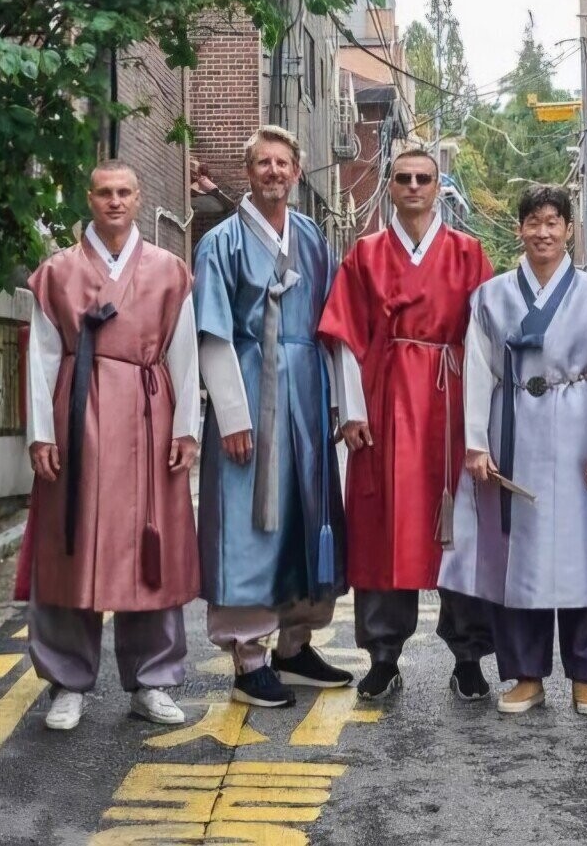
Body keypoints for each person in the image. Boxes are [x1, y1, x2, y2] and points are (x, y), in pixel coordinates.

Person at [18, 161, 201, 732]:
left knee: (151, 545)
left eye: (124, 192)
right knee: (70, 543)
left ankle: (152, 680)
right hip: (79, 417)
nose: (114, 201)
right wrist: (41, 433)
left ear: (139, 197)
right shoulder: (59, 272)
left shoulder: (169, 271)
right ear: (89, 198)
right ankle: (67, 683)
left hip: (149, 414)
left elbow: (184, 353)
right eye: (104, 192)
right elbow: (42, 357)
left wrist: (187, 427)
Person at [440, 185, 587, 717]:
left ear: (569, 229)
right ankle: (526, 675)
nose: (543, 232)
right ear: (519, 229)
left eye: (553, 222)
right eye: (534, 222)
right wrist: (476, 442)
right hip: (514, 428)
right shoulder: (492, 296)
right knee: (517, 556)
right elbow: (477, 371)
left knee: (585, 554)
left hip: (579, 430)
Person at [318, 148, 496, 701]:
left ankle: (468, 655)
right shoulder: (366, 253)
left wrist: (485, 423)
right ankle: (383, 654)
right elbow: (345, 336)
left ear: (438, 187)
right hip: (386, 397)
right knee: (381, 525)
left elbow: (488, 340)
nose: (414, 186)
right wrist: (352, 410)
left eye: (424, 178)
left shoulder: (467, 252)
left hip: (451, 398)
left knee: (460, 526)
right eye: (403, 178)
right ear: (390, 187)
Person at [192, 126, 350, 709]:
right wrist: (232, 415)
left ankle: (295, 643)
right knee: (248, 521)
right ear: (249, 171)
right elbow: (212, 333)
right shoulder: (222, 243)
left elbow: (332, 325)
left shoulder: (311, 237)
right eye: (263, 162)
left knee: (306, 515)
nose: (274, 172)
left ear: (297, 171)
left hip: (305, 393)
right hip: (249, 387)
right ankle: (248, 656)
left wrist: (339, 401)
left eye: (283, 163)